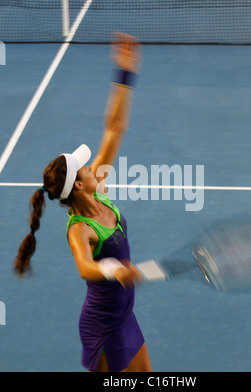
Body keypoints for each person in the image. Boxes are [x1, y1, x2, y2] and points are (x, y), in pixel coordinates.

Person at [14, 33, 152, 373]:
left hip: (124, 316)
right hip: (103, 328)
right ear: (79, 184)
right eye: (84, 167)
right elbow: (85, 267)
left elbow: (114, 128)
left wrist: (125, 74)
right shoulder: (79, 229)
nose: (92, 166)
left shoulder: (98, 188)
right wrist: (114, 268)